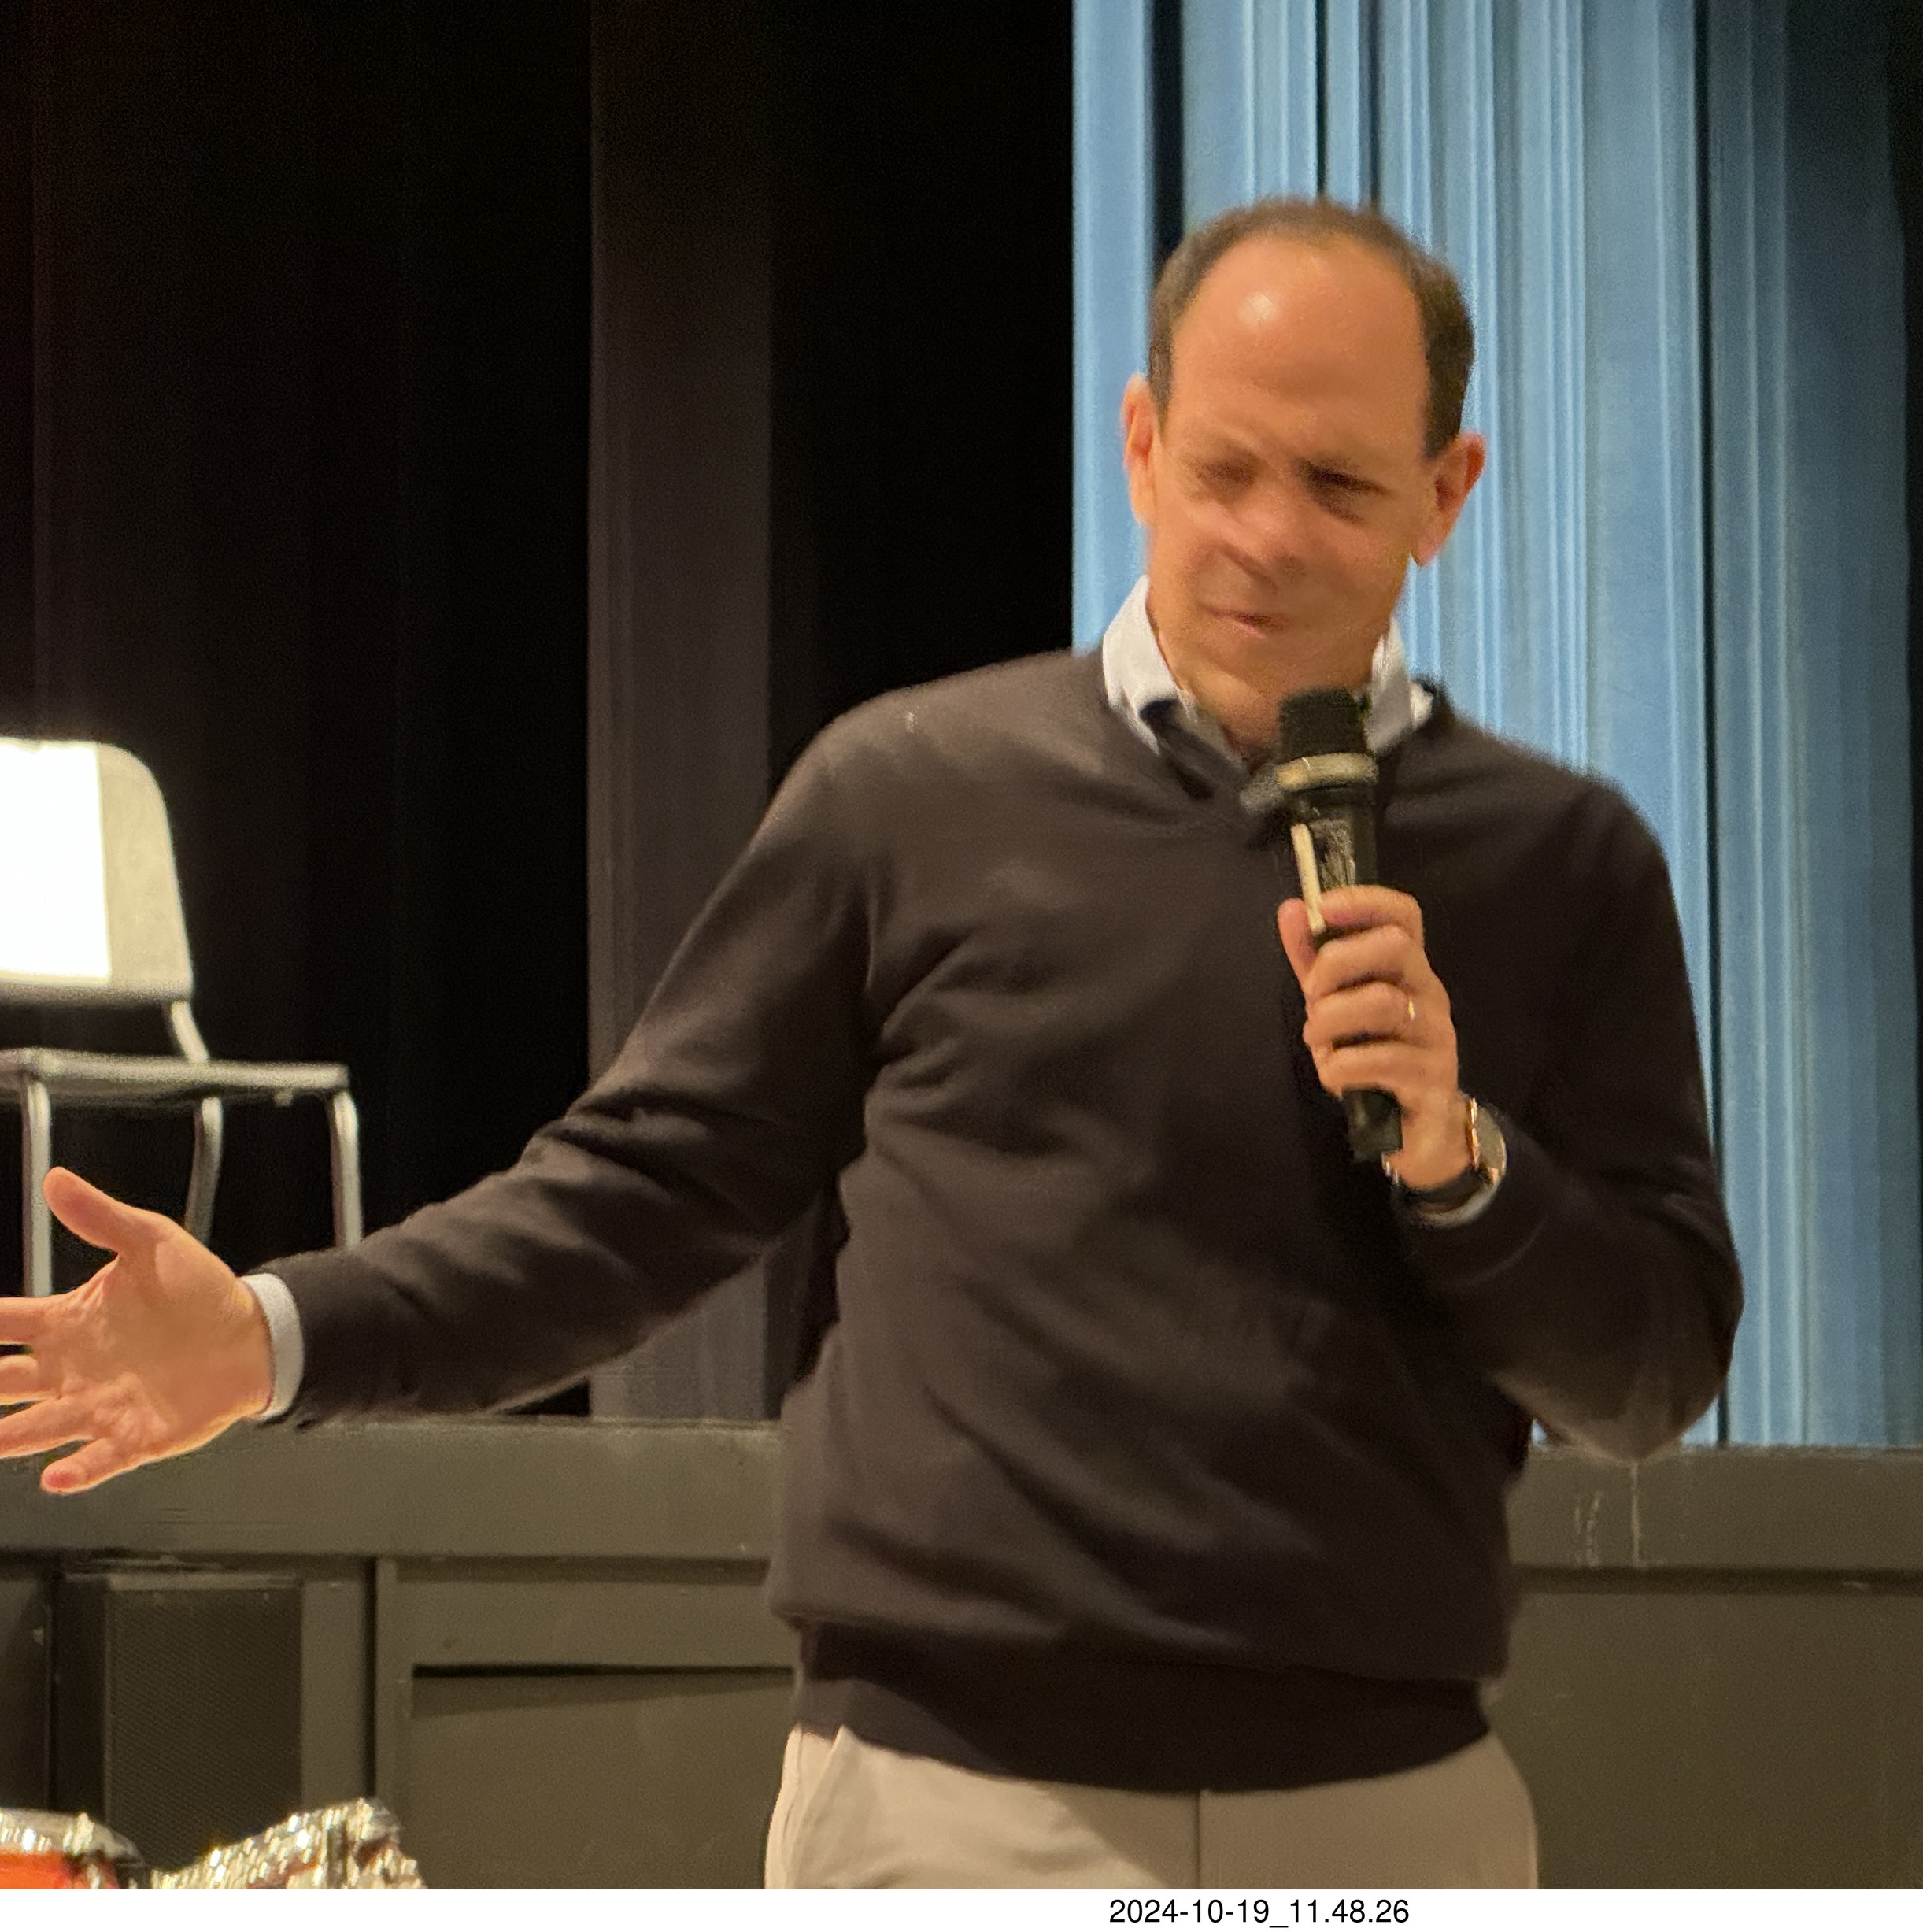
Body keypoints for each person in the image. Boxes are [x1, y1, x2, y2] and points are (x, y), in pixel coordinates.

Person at [0, 197, 1741, 1888]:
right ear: (1141, 449)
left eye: (1340, 485)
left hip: (1389, 1816)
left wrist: (1460, 1157)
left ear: (1447, 493)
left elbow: (1651, 1372)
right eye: (1224, 470)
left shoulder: (1562, 864)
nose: (1268, 537)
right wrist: (272, 1335)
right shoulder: (912, 796)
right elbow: (635, 1201)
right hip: (944, 1812)